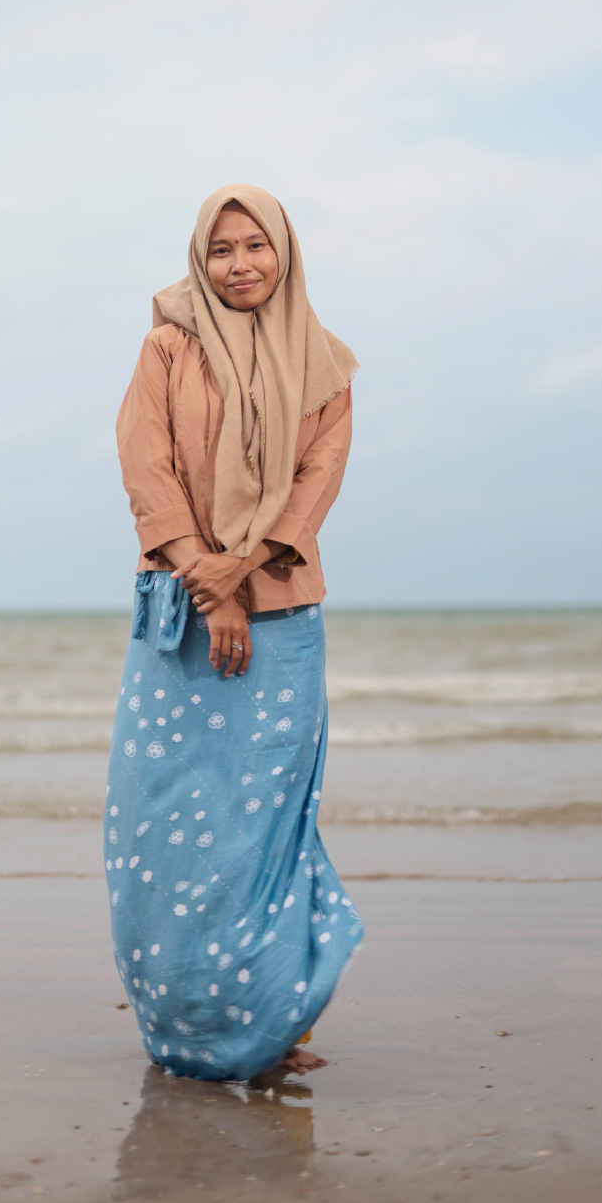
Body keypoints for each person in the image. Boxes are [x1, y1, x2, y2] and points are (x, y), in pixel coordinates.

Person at [106, 182, 363, 1080]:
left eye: (256, 245)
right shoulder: (167, 347)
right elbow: (146, 466)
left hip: (282, 611)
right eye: (221, 249)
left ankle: (268, 1026)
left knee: (263, 828)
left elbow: (315, 485)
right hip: (181, 610)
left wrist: (243, 570)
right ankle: (181, 1026)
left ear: (284, 253)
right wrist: (209, 585)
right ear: (199, 258)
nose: (239, 264)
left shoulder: (325, 365)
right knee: (167, 823)